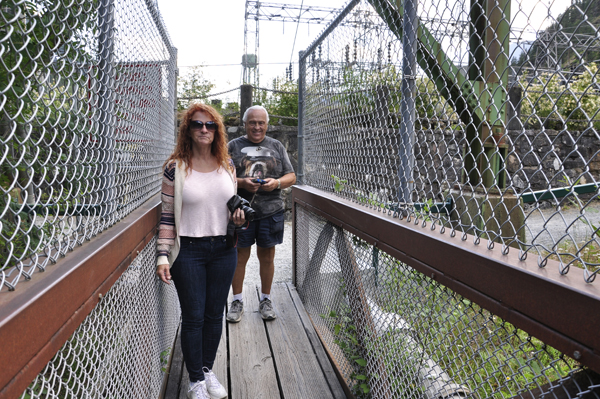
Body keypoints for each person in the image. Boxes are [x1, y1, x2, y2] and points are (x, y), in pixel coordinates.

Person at [156, 103, 245, 399]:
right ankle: (195, 379)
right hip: (189, 251)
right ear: (188, 130)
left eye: (210, 125)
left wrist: (238, 219)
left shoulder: (227, 165)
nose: (204, 130)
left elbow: (231, 207)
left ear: (217, 130)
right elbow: (167, 215)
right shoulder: (175, 168)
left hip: (224, 248)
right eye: (197, 124)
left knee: (213, 315)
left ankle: (207, 370)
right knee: (193, 316)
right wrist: (163, 254)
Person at [226, 105, 296, 322]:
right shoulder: (232, 146)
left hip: (271, 211)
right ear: (245, 124)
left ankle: (266, 299)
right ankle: (237, 300)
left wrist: (276, 183)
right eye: (252, 122)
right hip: (241, 213)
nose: (257, 127)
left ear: (267, 124)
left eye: (261, 123)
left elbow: (291, 176)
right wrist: (241, 182)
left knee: (267, 257)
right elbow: (219, 177)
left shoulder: (276, 146)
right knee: (239, 257)